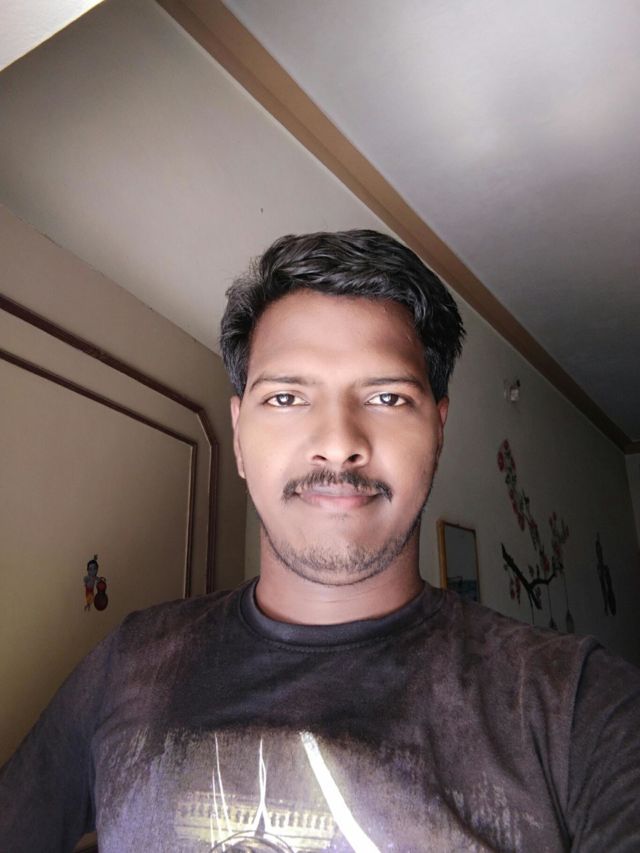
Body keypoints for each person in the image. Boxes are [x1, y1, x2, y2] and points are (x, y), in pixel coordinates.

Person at [1, 230, 639, 852]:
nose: (338, 443)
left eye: (387, 397)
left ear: (438, 431)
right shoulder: (127, 664)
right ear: (238, 436)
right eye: (286, 397)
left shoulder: (577, 706)